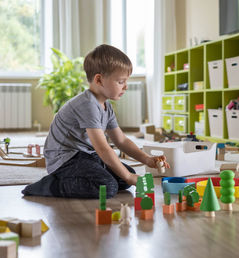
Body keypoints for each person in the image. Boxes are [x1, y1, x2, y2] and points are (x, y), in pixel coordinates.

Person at [22, 44, 169, 198]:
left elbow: (122, 140)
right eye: (120, 81)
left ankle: (97, 176)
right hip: (66, 159)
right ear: (99, 80)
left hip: (87, 155)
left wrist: (146, 159)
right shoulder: (87, 104)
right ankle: (50, 185)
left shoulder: (106, 106)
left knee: (126, 177)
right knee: (108, 186)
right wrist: (128, 177)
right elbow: (103, 148)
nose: (126, 86)